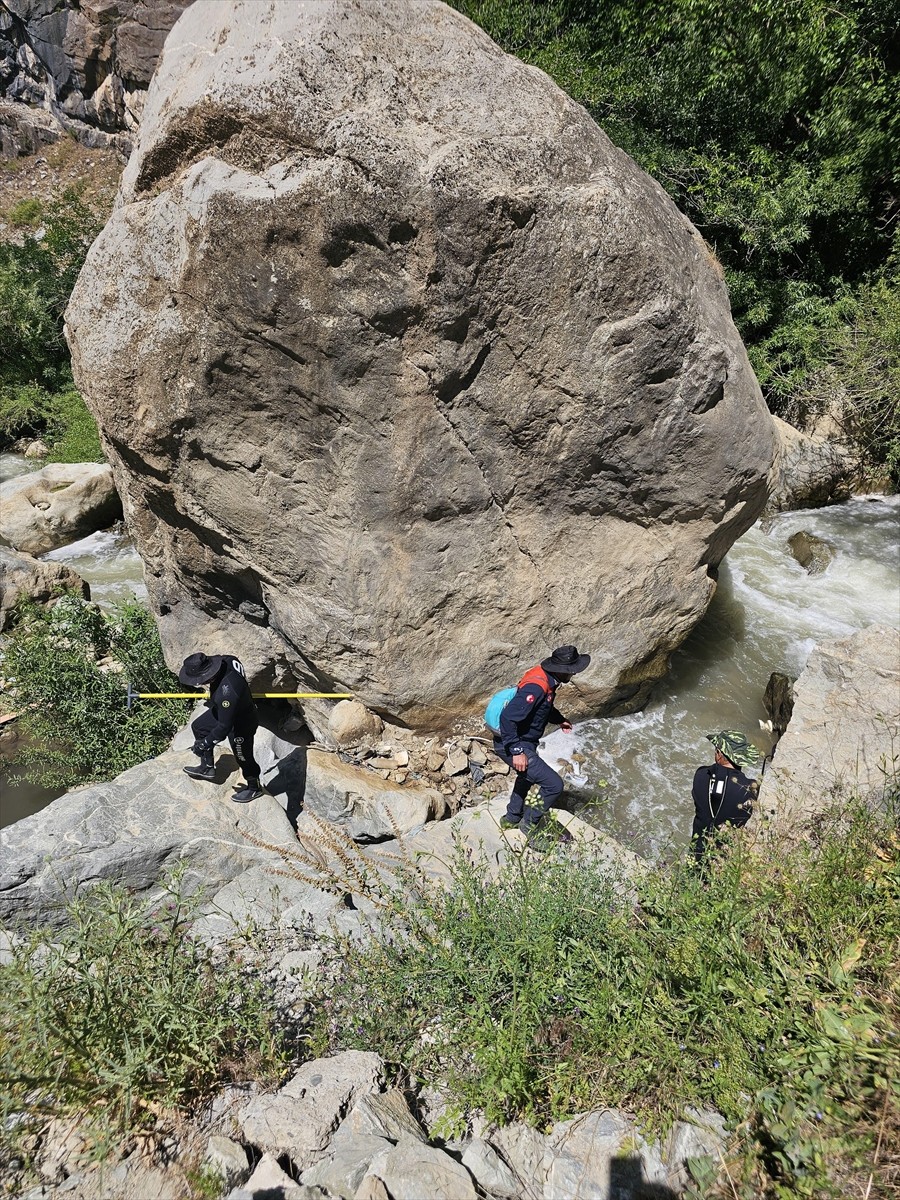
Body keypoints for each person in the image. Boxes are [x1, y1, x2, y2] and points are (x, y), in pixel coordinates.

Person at [494, 644, 590, 850]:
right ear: (560, 669)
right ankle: (528, 825)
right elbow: (508, 718)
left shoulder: (547, 680)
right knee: (554, 785)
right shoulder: (536, 687)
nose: (573, 673)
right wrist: (517, 751)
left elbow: (543, 707)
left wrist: (559, 719)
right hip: (514, 744)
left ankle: (512, 817)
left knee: (526, 777)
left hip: (524, 741)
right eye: (571, 670)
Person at [180, 652, 263, 803]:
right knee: (199, 727)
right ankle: (207, 767)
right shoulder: (228, 660)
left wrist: (205, 744)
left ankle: (254, 787)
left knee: (242, 755)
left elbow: (224, 728)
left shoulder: (227, 693)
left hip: (242, 721)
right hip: (226, 711)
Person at [691, 730, 760, 861]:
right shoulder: (750, 789)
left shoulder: (700, 776)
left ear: (719, 755)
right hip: (723, 863)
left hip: (696, 854)